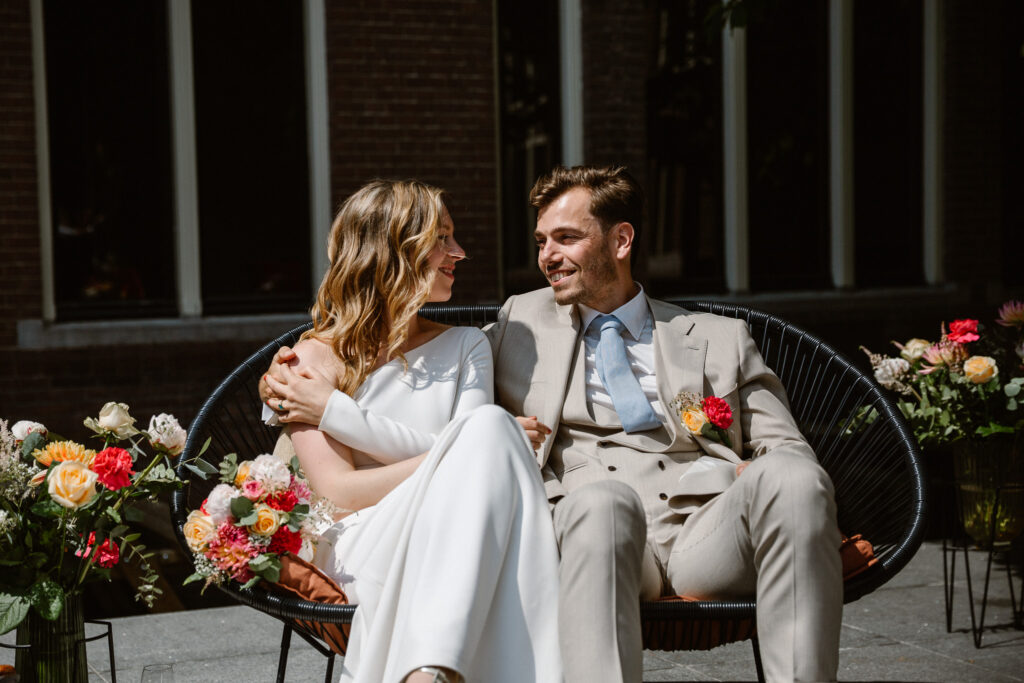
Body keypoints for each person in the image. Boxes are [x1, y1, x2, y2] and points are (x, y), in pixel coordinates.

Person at [266, 166, 843, 683]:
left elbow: (786, 448)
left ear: (621, 241)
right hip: (593, 527)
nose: (547, 256)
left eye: (566, 238)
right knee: (603, 505)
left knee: (794, 478)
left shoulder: (717, 337)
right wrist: (291, 382)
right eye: (541, 241)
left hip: (706, 532)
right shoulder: (518, 324)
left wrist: (754, 469)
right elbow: (429, 392)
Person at [261, 179, 562, 683]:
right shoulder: (308, 363)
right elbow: (339, 494)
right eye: (441, 238)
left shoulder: (468, 345)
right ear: (391, 250)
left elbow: (471, 464)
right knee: (491, 431)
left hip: (454, 528)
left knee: (487, 433)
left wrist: (337, 413)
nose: (459, 252)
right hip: (362, 541)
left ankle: (428, 672)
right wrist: (476, 447)